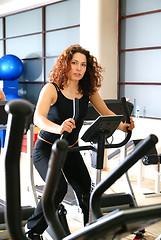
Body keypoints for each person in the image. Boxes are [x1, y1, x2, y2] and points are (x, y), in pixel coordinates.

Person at [26, 44, 135, 240]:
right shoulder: (52, 88)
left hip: (71, 150)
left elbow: (106, 113)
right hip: (46, 149)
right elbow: (39, 118)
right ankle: (33, 230)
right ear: (65, 64)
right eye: (74, 63)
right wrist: (58, 128)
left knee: (87, 191)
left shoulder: (87, 90)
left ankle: (90, 229)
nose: (78, 68)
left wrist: (123, 126)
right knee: (57, 190)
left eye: (83, 65)